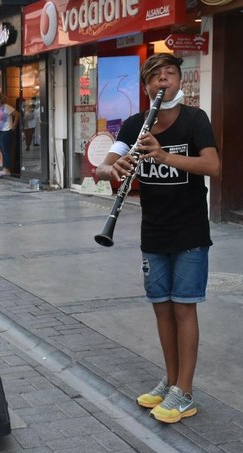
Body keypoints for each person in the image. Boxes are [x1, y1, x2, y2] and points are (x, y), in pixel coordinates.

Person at [95, 53, 220, 424]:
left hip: (190, 230)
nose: (163, 80)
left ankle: (185, 391)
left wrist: (165, 156)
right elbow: (102, 167)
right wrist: (111, 168)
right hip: (154, 231)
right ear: (147, 86)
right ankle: (170, 381)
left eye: (170, 74)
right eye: (156, 76)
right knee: (162, 309)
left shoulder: (195, 120)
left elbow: (213, 166)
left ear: (180, 81)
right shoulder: (135, 124)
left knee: (184, 308)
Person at [0, 91, 19, 177]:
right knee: (3, 151)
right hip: (0, 131)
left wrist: (14, 125)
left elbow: (17, 114)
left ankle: (7, 169)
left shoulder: (6, 107)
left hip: (7, 131)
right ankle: (5, 168)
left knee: (6, 151)